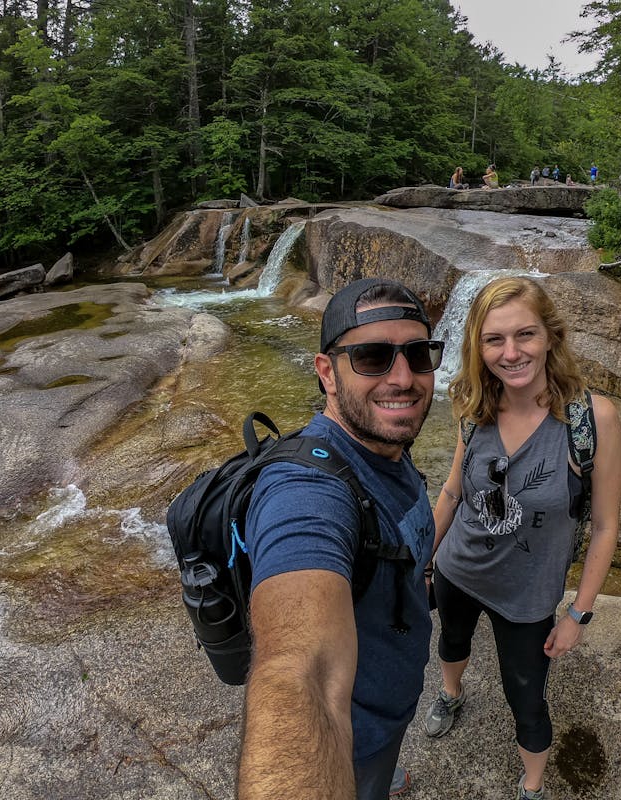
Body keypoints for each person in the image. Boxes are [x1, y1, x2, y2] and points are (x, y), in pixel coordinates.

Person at [238, 277, 443, 800]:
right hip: (352, 739)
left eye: (419, 354)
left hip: (390, 704)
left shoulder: (384, 435)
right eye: (372, 358)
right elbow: (300, 668)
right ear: (327, 373)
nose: (403, 379)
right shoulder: (305, 490)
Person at [422, 277, 621, 800]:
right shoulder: (472, 401)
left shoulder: (592, 420)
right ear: (477, 346)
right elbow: (451, 491)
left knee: (528, 698)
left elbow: (605, 525)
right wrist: (422, 556)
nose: (511, 353)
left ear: (550, 336)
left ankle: (532, 784)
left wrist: (579, 612)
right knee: (451, 642)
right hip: (457, 569)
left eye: (525, 335)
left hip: (528, 596)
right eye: (494, 340)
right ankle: (449, 692)